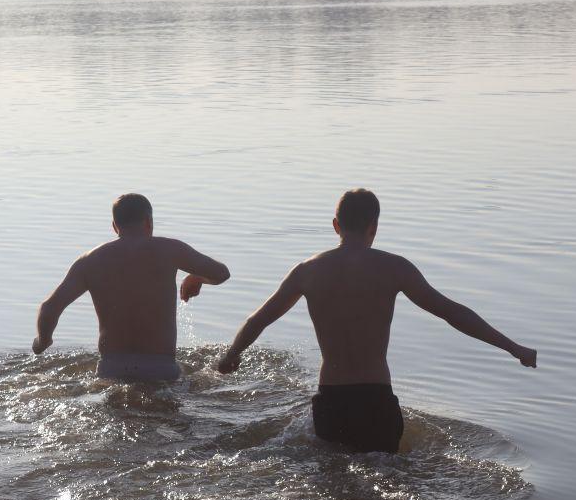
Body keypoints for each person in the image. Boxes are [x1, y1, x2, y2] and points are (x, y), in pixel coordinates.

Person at [216, 188, 536, 454]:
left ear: (335, 225)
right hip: (376, 400)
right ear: (375, 227)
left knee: (334, 487)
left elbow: (258, 319)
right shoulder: (394, 268)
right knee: (384, 494)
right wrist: (512, 347)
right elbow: (452, 312)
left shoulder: (307, 271)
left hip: (332, 401)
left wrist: (233, 355)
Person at [32, 193, 230, 382]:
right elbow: (221, 273)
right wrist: (197, 277)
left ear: (114, 226)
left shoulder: (90, 261)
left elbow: (49, 308)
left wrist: (43, 342)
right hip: (160, 368)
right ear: (149, 222)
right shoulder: (170, 250)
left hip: (111, 369)